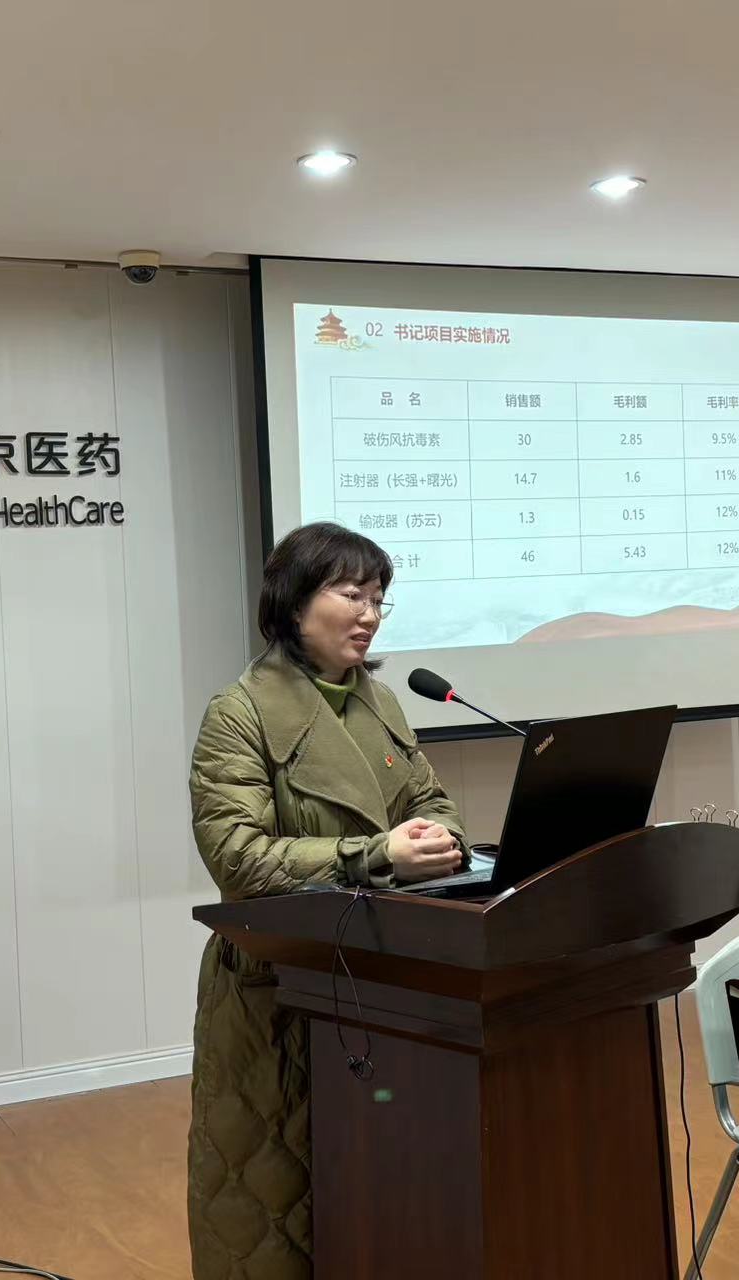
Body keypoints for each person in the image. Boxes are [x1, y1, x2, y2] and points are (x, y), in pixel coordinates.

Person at [186, 522, 466, 1280]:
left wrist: (439, 837)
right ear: (294, 602)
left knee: (377, 1188)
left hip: (385, 976)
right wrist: (375, 855)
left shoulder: (380, 701)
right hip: (279, 983)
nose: (369, 614)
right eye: (351, 594)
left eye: (378, 598)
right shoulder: (238, 713)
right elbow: (237, 858)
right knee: (271, 1194)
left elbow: (431, 800)